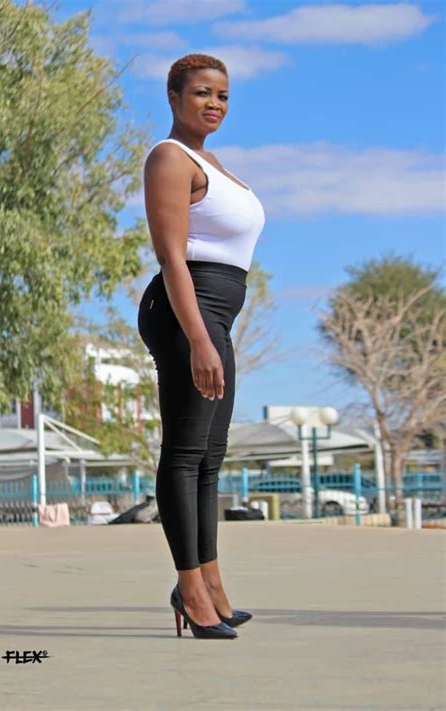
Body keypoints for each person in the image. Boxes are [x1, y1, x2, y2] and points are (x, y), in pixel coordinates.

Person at [137, 54, 265, 639]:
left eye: (223, 96)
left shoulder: (212, 163)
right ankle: (189, 588)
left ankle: (212, 586)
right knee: (186, 452)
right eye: (201, 93)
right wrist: (197, 339)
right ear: (173, 96)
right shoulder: (170, 158)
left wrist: (211, 334)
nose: (214, 104)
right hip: (185, 311)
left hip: (216, 314)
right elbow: (172, 257)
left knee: (211, 457)